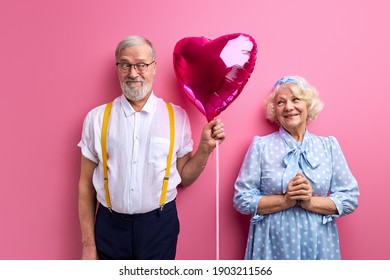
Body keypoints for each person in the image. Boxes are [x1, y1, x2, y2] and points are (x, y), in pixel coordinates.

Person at [78, 35, 225, 260]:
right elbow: (85, 185)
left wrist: (205, 148)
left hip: (160, 226)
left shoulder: (176, 117)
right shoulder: (96, 119)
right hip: (110, 226)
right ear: (117, 68)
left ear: (154, 67)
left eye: (141, 65)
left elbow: (185, 177)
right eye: (125, 65)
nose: (133, 73)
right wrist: (88, 245)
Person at [233, 75, 359, 260]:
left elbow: (349, 198)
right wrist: (286, 200)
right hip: (271, 246)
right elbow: (242, 199)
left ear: (308, 105)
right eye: (281, 102)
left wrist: (309, 202)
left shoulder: (329, 146)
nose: (289, 107)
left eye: (295, 99)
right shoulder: (261, 146)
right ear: (274, 110)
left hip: (319, 246)